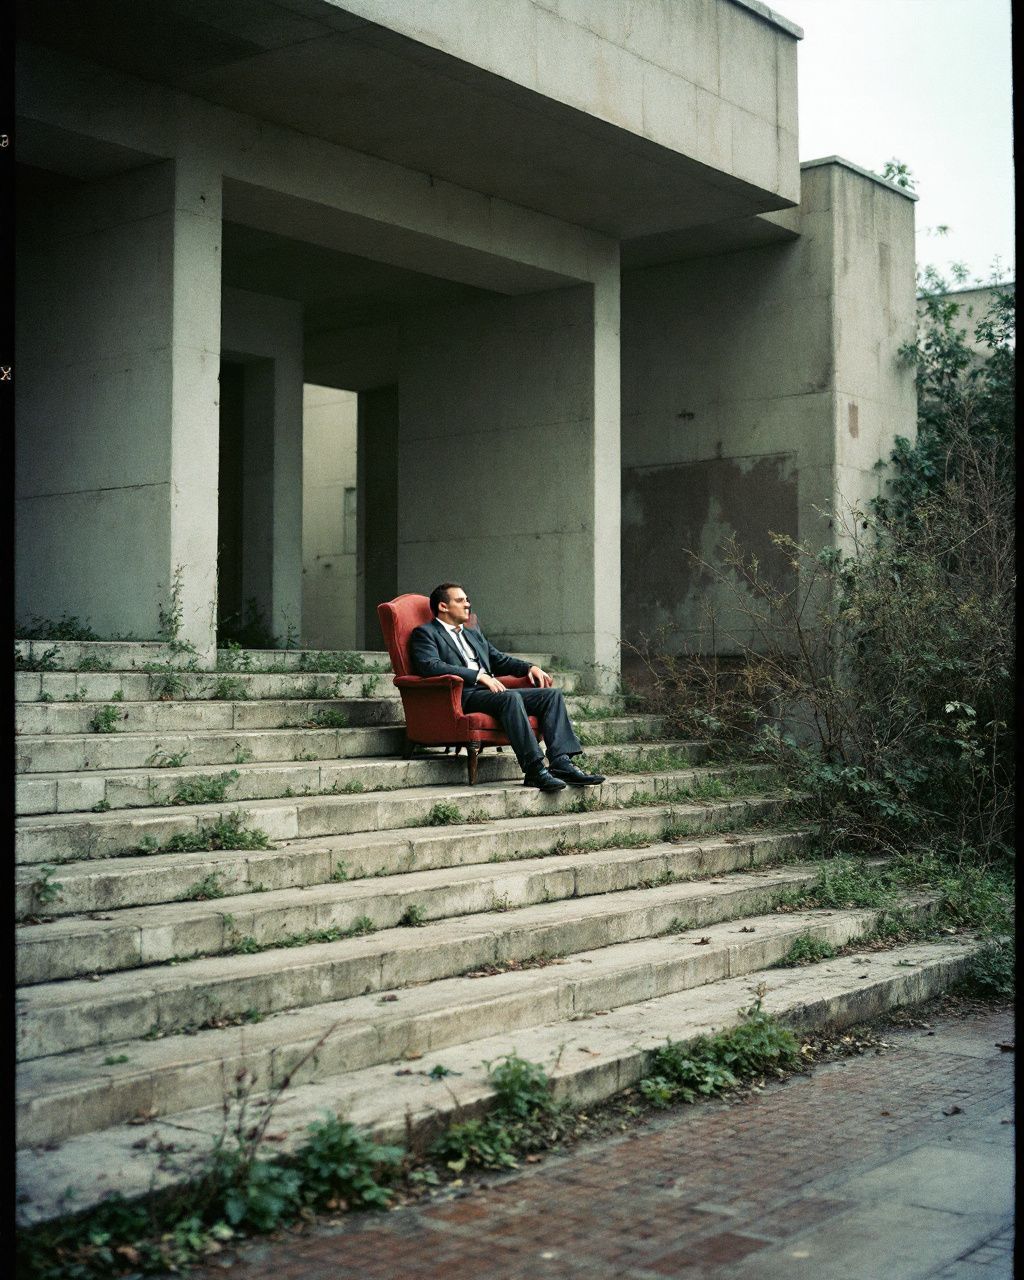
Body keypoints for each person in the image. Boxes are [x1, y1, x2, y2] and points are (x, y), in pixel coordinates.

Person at [409, 583, 606, 792]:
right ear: (443, 606)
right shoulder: (426, 633)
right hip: (462, 695)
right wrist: (478, 676)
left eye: (467, 600)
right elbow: (430, 665)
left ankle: (561, 762)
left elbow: (499, 660)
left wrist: (530, 668)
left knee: (551, 695)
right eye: (461, 600)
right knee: (509, 697)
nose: (468, 604)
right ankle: (534, 770)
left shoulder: (472, 634)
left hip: (490, 693)